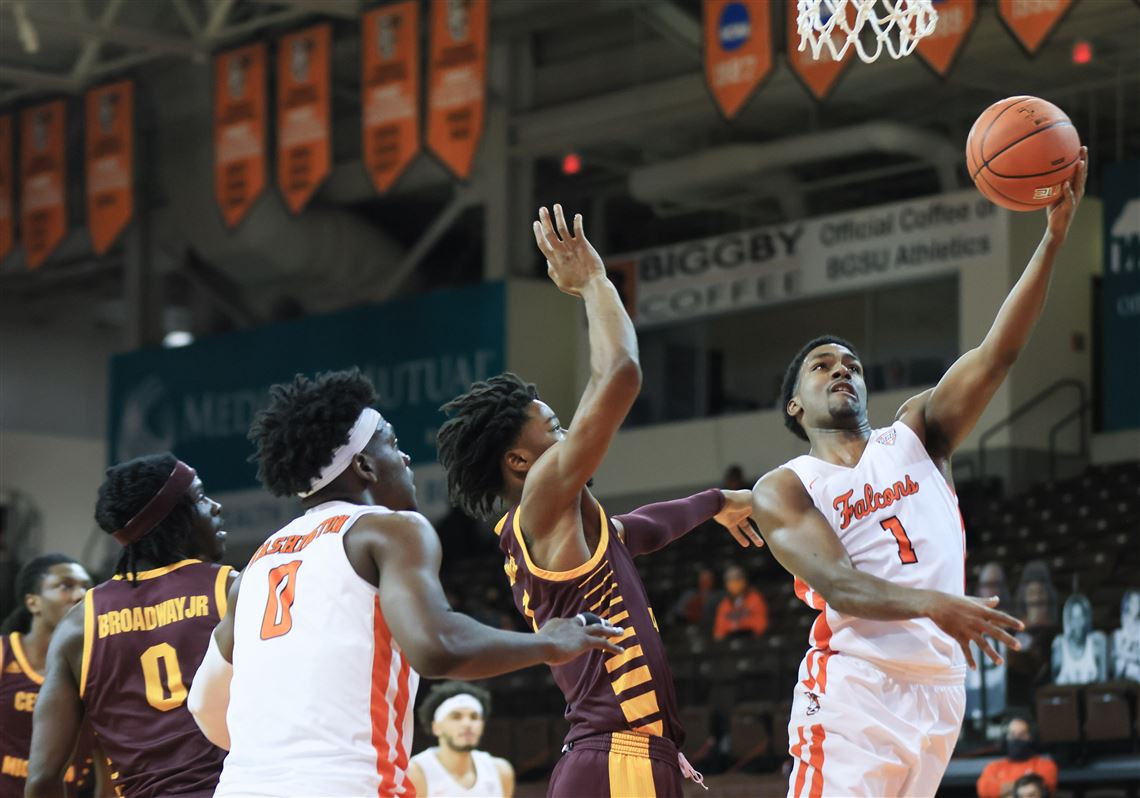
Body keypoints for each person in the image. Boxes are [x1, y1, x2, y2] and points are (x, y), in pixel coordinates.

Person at [750, 149, 1086, 798]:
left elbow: (998, 353)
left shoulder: (917, 433)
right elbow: (841, 586)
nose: (841, 369)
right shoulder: (787, 485)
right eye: (821, 366)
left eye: (850, 362)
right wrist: (936, 605)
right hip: (856, 686)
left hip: (939, 695)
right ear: (795, 404)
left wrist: (1052, 239)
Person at [437, 204, 758, 798]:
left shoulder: (567, 528)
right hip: (616, 758)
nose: (568, 435)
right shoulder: (541, 501)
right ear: (518, 461)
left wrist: (717, 500)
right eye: (555, 427)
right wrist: (593, 282)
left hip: (628, 755)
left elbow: (640, 530)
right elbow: (621, 374)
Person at [189, 368, 623, 798]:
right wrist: (549, 642)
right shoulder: (389, 530)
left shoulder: (255, 567)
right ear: (364, 466)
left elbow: (203, 705)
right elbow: (437, 646)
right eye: (393, 445)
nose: (406, 459)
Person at [27, 454, 233, 798]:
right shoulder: (230, 590)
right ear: (172, 518)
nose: (215, 506)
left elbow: (42, 778)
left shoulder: (77, 626)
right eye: (199, 497)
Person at [0, 555, 94, 798]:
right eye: (66, 586)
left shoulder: (97, 664)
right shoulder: (4, 654)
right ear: (33, 603)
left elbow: (106, 760)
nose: (80, 595)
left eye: (86, 586)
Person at [408, 681, 513, 797]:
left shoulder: (501, 771)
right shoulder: (415, 773)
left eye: (474, 717)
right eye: (456, 717)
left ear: (482, 725)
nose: (467, 724)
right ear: (436, 727)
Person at [967, 563, 1010, 722]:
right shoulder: (967, 616)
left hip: (1003, 693)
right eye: (987, 585)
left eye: (996, 584)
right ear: (979, 589)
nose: (992, 590)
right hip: (972, 691)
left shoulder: (1013, 614)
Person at [975, 715, 1057, 798]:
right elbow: (983, 790)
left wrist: (1004, 790)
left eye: (1022, 735)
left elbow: (1041, 788)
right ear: (1005, 738)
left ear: (1032, 738)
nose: (1016, 739)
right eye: (1012, 734)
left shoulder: (1046, 765)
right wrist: (1025, 785)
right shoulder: (993, 767)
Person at [1051, 592, 1107, 685]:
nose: (1077, 622)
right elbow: (1054, 687)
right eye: (1074, 618)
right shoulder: (1059, 645)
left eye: (1080, 617)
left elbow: (1103, 684)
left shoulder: (1096, 644)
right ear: (1069, 620)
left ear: (1086, 620)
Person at [713, 565, 769, 642]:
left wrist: (742, 626)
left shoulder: (755, 598)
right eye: (730, 580)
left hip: (752, 641)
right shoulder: (724, 604)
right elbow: (719, 632)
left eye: (737, 579)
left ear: (744, 580)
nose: (734, 583)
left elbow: (761, 625)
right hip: (730, 642)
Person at [669, 566, 721, 636]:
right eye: (703, 578)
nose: (705, 581)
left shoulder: (718, 596)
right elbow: (677, 614)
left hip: (712, 630)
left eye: (708, 578)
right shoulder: (689, 595)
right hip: (689, 630)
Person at [1111, 589, 1140, 681]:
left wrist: (1121, 653)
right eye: (1133, 602)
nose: (1136, 605)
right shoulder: (1118, 635)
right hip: (1124, 680)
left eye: (1138, 602)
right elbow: (1117, 667)